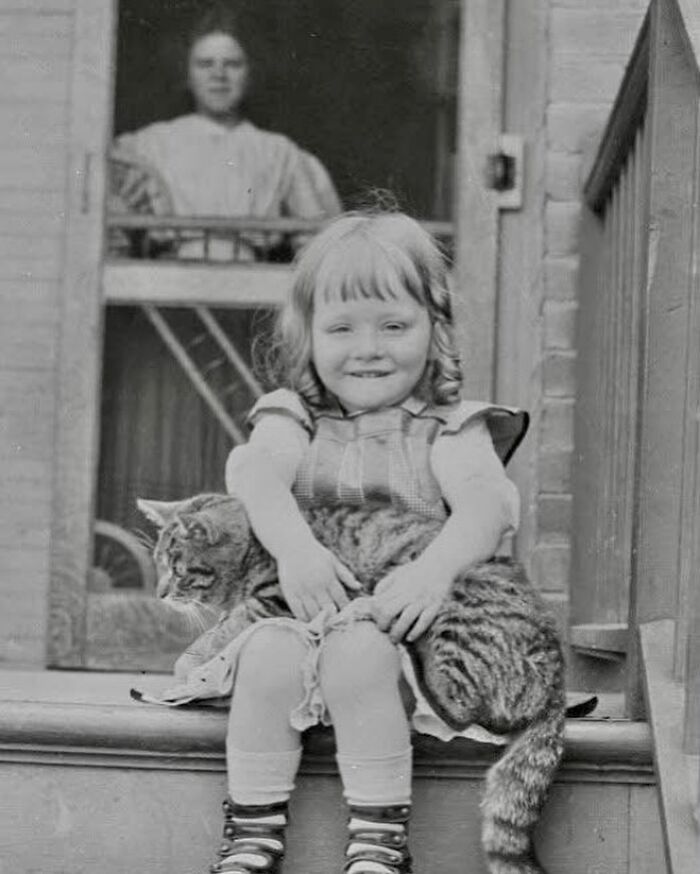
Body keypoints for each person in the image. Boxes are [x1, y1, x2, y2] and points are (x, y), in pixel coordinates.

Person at [146, 211, 528, 873]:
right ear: (309, 336)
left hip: (408, 634)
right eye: (342, 328)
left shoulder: (449, 428)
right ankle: (252, 833)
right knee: (265, 649)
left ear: (435, 330)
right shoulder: (296, 416)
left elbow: (487, 506)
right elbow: (252, 471)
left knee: (357, 651)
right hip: (305, 626)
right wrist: (295, 551)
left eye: (394, 326)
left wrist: (434, 573)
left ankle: (380, 842)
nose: (368, 348)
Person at [112, 6, 341, 259]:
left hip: (249, 283)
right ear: (186, 73)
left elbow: (317, 236)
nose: (218, 75)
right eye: (205, 64)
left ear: (250, 73)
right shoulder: (149, 144)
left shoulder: (278, 151)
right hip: (170, 281)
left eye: (232, 64)